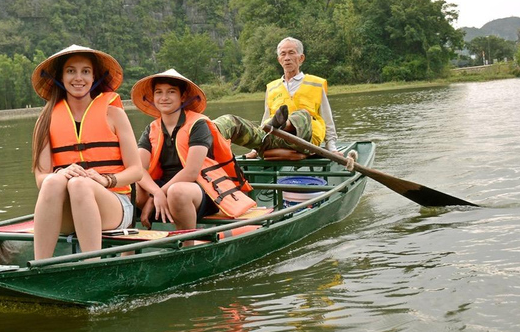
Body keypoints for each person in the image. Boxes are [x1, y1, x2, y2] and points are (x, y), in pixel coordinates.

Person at [30, 44, 142, 260]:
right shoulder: (45, 120)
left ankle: (91, 264)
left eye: (85, 71)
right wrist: (60, 174)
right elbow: (40, 179)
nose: (78, 78)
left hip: (115, 203)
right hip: (69, 211)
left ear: (94, 78)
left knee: (79, 184)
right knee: (52, 182)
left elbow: (136, 170)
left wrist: (105, 180)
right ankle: (40, 265)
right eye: (71, 71)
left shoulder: (114, 114)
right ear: (61, 77)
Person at [131, 69, 255, 232]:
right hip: (163, 189)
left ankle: (187, 242)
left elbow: (191, 172)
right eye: (159, 92)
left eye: (171, 92)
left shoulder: (198, 125)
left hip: (203, 189)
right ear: (153, 98)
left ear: (182, 97)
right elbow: (139, 169)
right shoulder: (152, 129)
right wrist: (156, 193)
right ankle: (131, 245)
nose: (164, 97)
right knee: (132, 186)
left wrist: (155, 195)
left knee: (177, 191)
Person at [214, 37, 340, 158]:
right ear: (279, 60)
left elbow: (327, 120)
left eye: (291, 53)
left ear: (301, 58)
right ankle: (212, 128)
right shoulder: (272, 87)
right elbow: (266, 118)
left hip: (304, 140)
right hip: (274, 137)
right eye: (283, 54)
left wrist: (332, 148)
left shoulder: (316, 84)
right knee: (231, 122)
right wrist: (254, 150)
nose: (287, 58)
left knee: (302, 115)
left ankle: (285, 124)